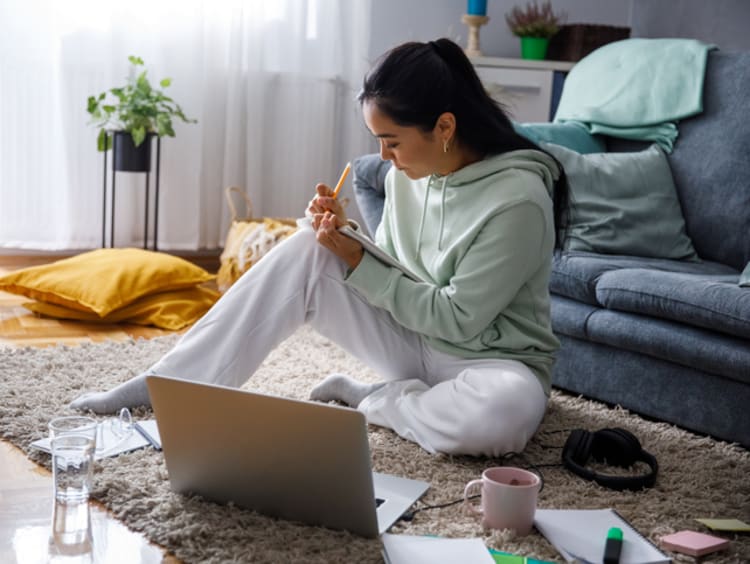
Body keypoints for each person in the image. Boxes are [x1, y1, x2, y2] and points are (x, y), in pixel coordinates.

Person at [71, 38, 568, 457]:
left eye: (392, 141)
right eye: (378, 140)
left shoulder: (517, 201)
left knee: (502, 419)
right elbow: (400, 274)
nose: (383, 156)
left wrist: (355, 259)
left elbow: (458, 319)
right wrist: (344, 237)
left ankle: (376, 401)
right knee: (310, 246)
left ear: (443, 127)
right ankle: (168, 386)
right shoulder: (406, 176)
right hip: (418, 343)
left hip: (491, 364)